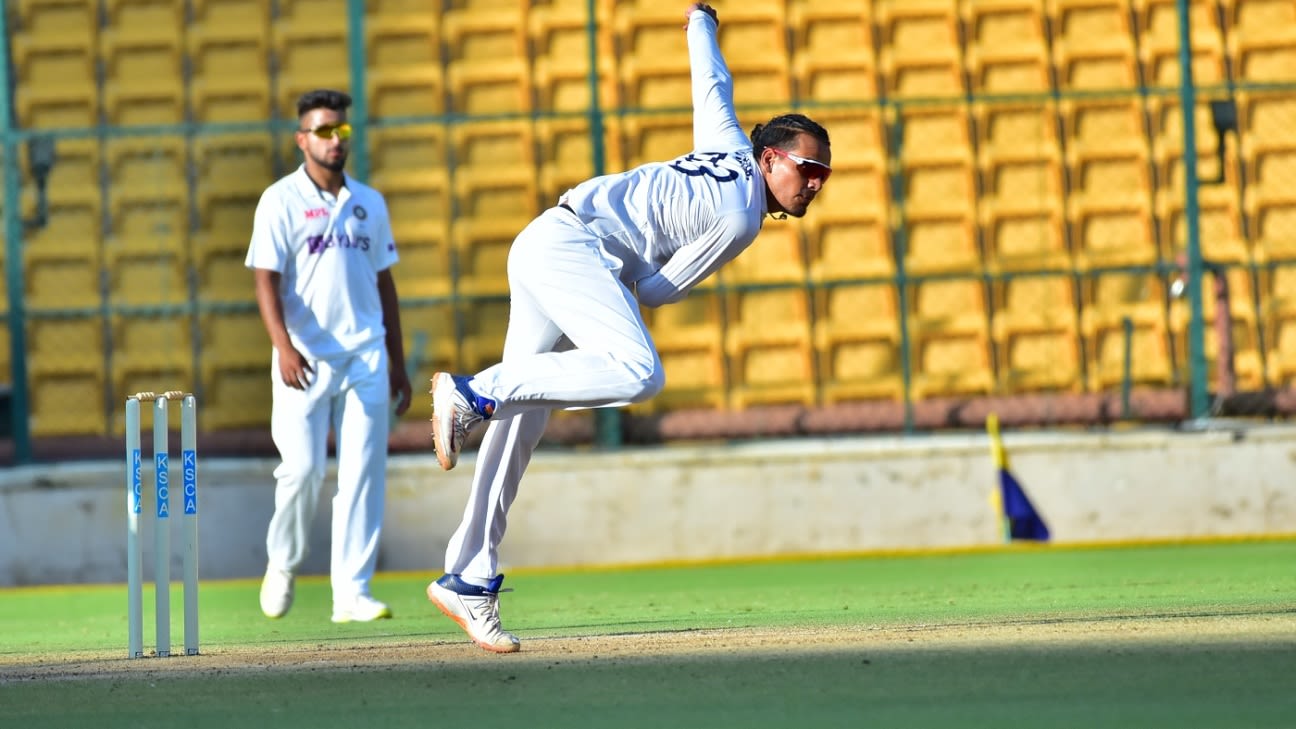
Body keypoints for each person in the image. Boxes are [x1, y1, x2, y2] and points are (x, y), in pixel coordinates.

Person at [423, 4, 831, 653]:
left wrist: (701, 22)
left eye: (823, 177)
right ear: (773, 158)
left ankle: (469, 574)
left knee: (525, 415)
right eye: (807, 171)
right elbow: (661, 290)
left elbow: (712, 85)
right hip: (575, 252)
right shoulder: (742, 215)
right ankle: (474, 391)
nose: (813, 185)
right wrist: (628, 282)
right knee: (639, 371)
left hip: (545, 237)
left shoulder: (727, 147)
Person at [247, 88, 413, 623]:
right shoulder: (280, 200)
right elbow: (265, 281)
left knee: (364, 472)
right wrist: (284, 347)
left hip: (366, 354)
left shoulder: (369, 202)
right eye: (323, 131)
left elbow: (385, 285)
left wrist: (398, 360)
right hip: (306, 358)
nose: (334, 140)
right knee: (300, 470)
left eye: (341, 130)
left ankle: (352, 593)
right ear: (302, 139)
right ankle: (283, 563)